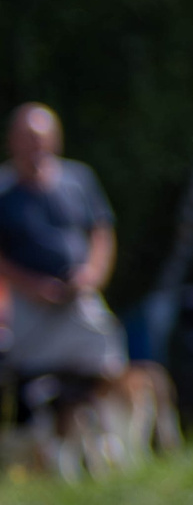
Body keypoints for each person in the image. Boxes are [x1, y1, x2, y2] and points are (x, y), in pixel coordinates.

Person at [0, 103, 128, 382]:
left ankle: (105, 426)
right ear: (11, 141)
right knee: (24, 374)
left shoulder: (78, 179)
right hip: (26, 301)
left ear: (55, 140)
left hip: (78, 297)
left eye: (41, 136)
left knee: (106, 362)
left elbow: (101, 232)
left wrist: (92, 274)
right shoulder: (3, 188)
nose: (35, 144)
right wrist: (31, 285)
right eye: (27, 136)